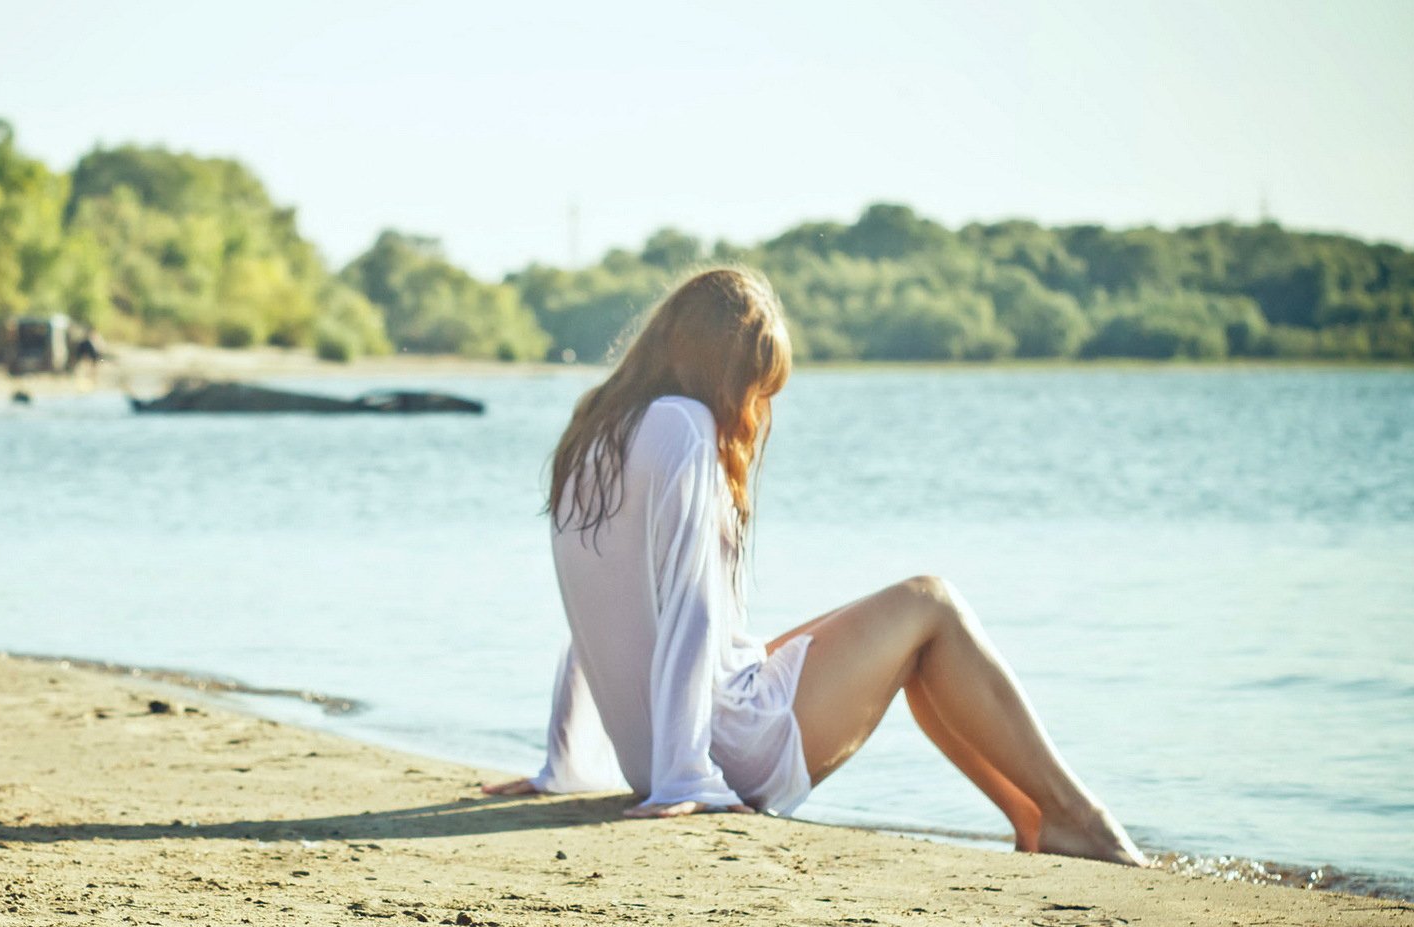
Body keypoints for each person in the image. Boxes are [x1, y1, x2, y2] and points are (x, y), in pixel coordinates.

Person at [484, 267, 1145, 865]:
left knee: (913, 642)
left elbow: (599, 612)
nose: (756, 411)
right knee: (930, 603)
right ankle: (1081, 818)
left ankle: (1037, 820)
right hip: (723, 749)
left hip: (654, 753)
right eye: (755, 387)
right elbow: (691, 608)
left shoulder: (595, 428)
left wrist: (564, 763)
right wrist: (687, 777)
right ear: (721, 371)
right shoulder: (681, 426)